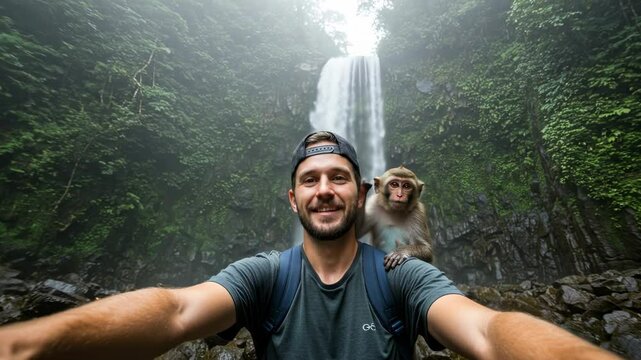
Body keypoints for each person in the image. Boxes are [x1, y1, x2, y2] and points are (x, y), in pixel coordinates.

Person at [0, 131, 620, 359]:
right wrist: (27, 342)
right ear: (293, 199)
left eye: (338, 177)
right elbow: (176, 311)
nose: (325, 189)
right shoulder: (264, 275)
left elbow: (485, 332)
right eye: (310, 179)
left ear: (359, 194)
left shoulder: (399, 274)